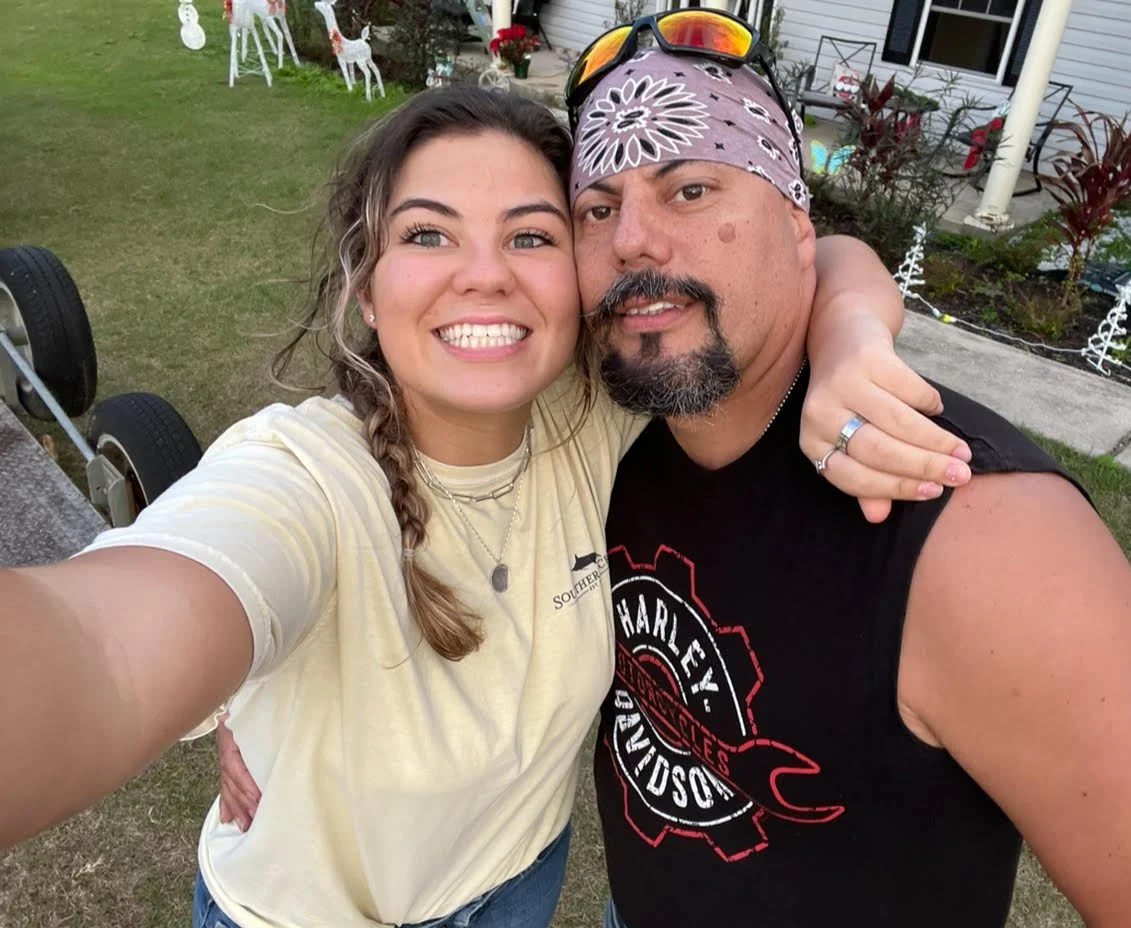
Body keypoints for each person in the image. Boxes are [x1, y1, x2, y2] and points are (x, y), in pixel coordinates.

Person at [0, 86, 972, 928]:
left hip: (516, 886)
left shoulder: (598, 408)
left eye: (532, 235)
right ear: (367, 291)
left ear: (580, 278)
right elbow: (99, 650)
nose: (486, 272)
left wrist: (850, 337)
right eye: (428, 234)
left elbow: (823, 248)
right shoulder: (300, 476)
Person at [555, 15, 1131, 927]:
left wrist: (857, 325)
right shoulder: (607, 432)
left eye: (691, 189)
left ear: (794, 225)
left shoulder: (985, 535)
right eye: (597, 208)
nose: (632, 240)